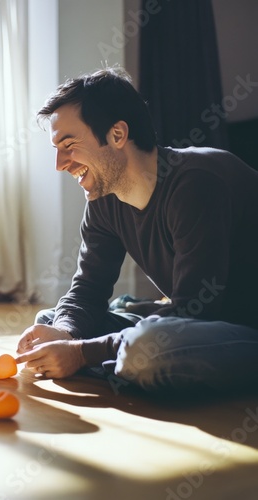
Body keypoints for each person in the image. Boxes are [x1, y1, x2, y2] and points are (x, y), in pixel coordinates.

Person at [16, 66, 258, 393]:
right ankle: (114, 363)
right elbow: (88, 290)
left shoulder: (197, 183)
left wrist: (82, 352)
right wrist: (67, 336)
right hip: (193, 326)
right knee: (50, 323)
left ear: (117, 135)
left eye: (69, 144)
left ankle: (111, 362)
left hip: (240, 326)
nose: (59, 164)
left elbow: (193, 311)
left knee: (145, 350)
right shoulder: (105, 199)